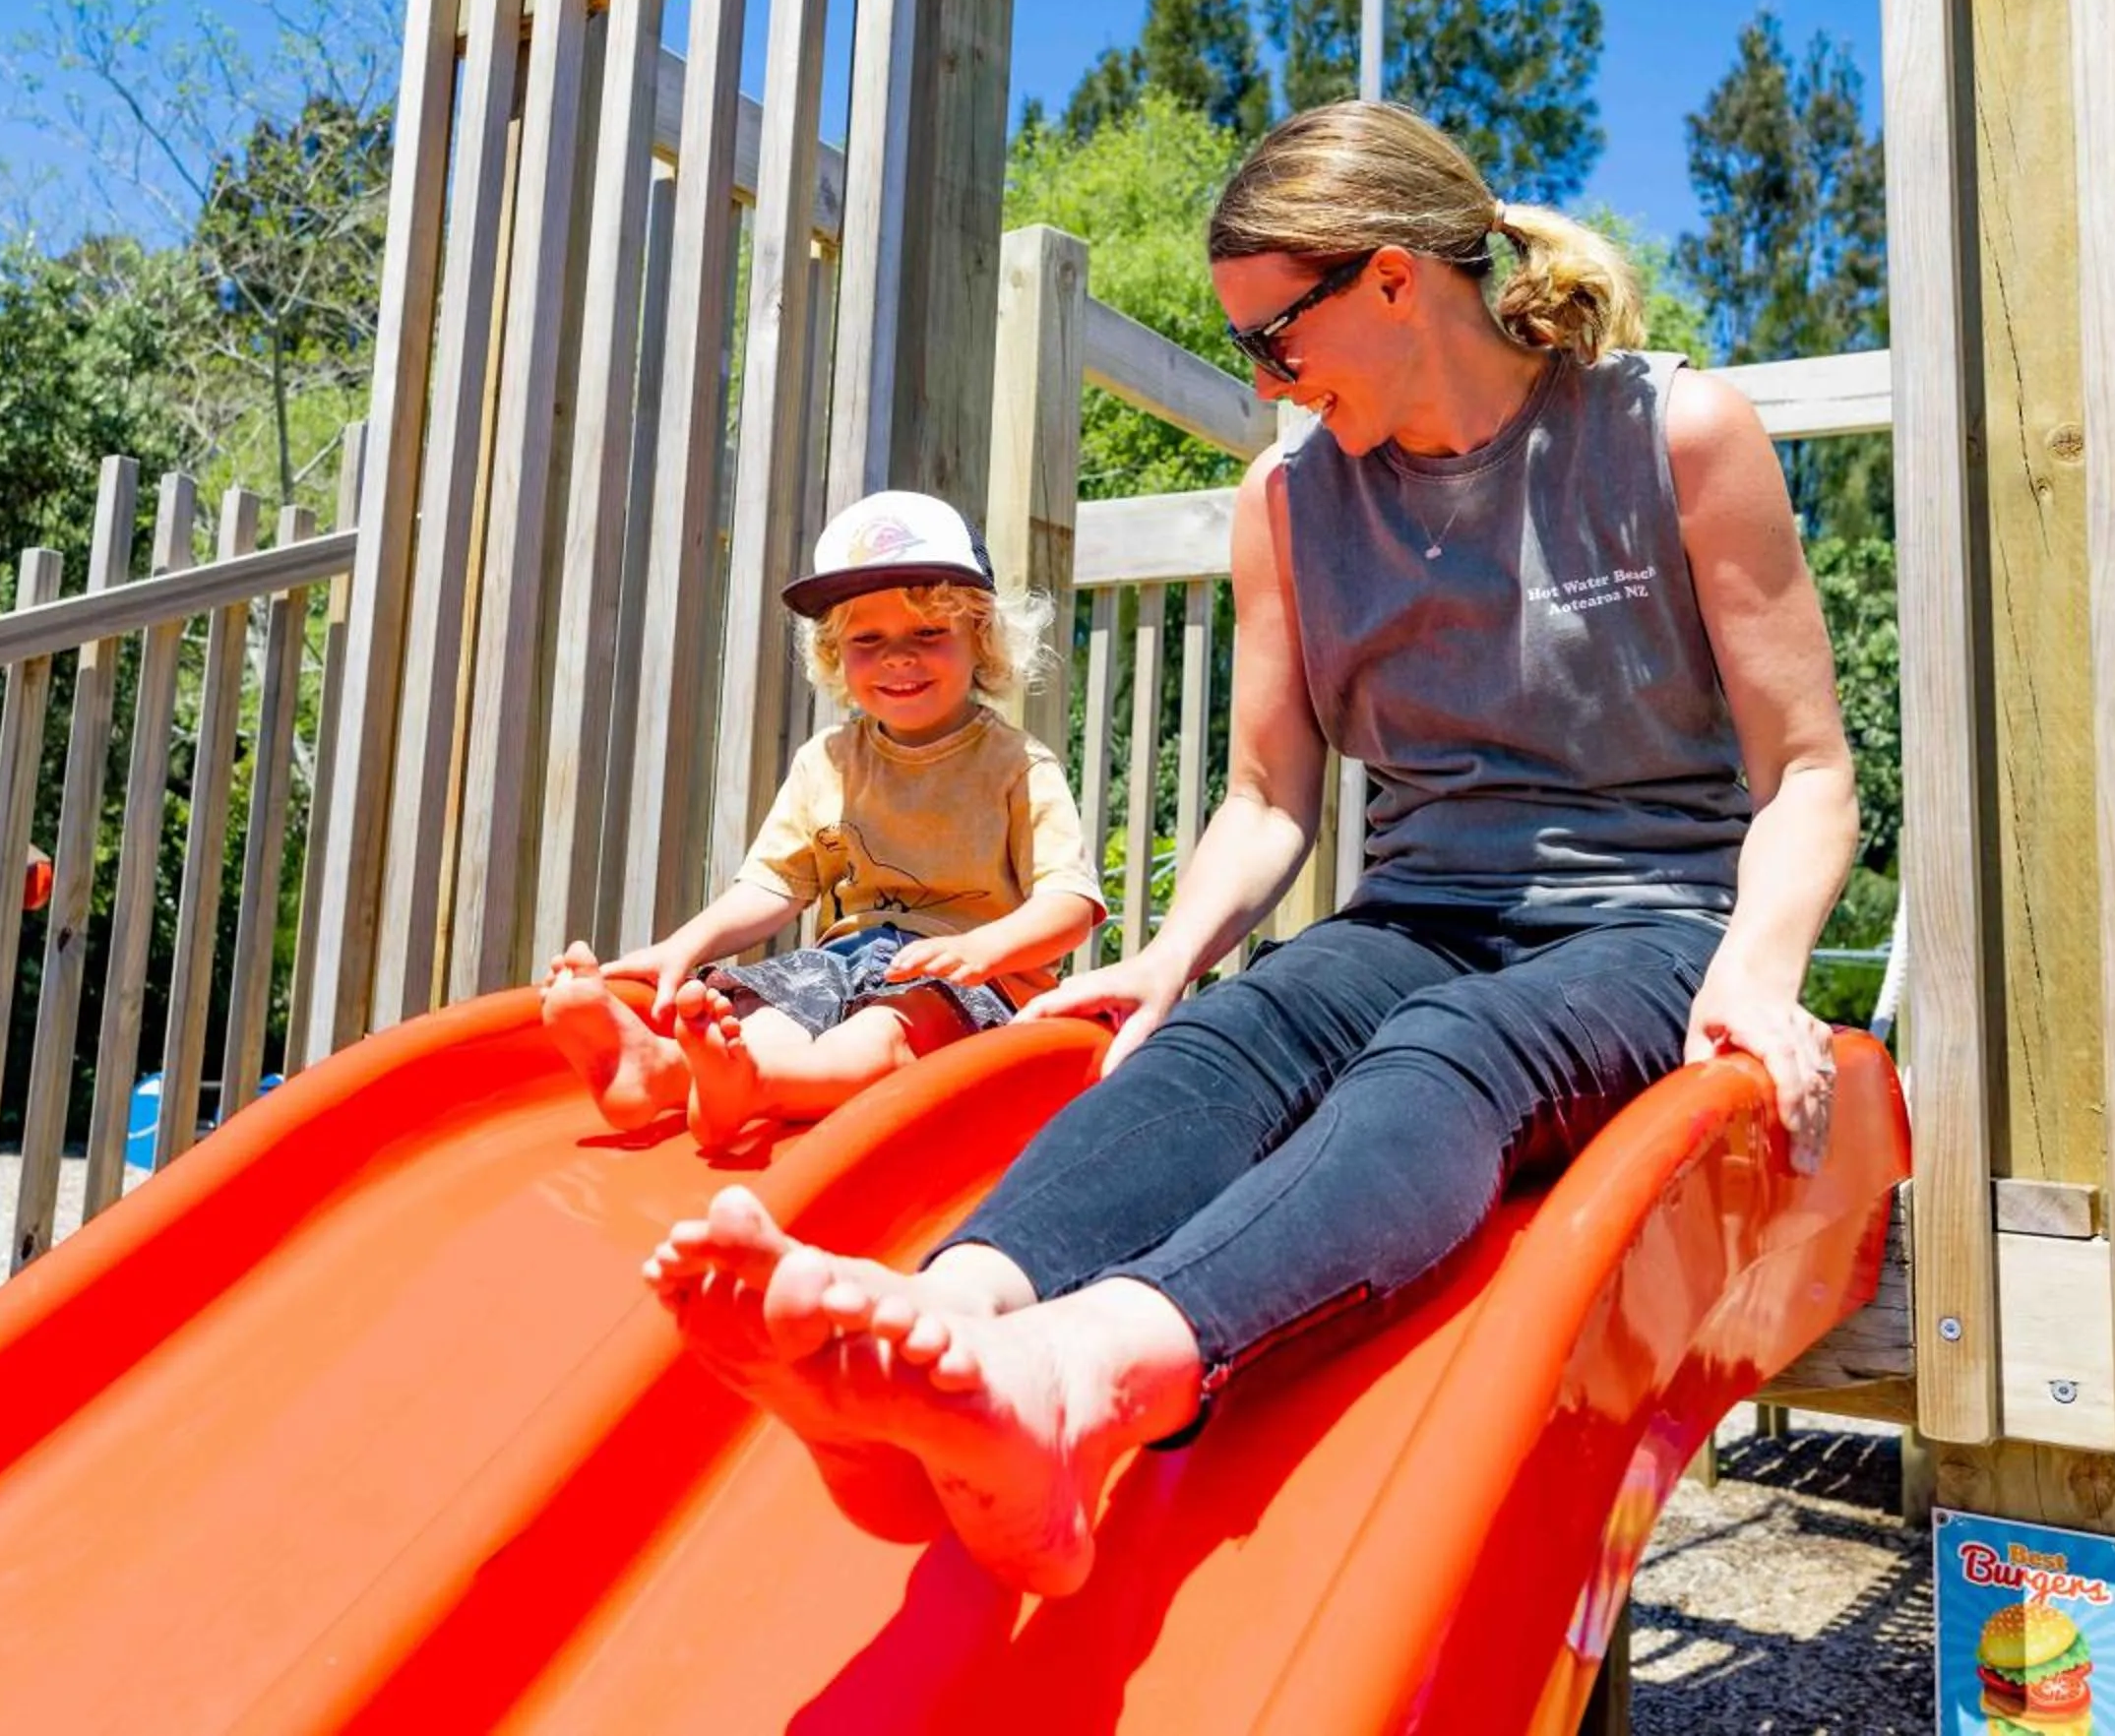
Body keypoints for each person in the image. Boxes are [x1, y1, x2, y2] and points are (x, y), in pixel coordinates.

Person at [642, 100, 1859, 1596]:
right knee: (1228, 1038)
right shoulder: (1288, 498)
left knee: (1448, 1052)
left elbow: (1806, 771)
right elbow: (1272, 796)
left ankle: (1088, 1381)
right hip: (1418, 902)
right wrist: (1166, 956)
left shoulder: (1669, 433)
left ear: (1397, 281)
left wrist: (1756, 966)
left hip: (1644, 919)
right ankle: (942, 1326)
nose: (1265, 380)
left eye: (1278, 340)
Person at [542, 489, 1107, 1147]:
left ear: (980, 640)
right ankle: (666, 1073)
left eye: (928, 633)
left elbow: (1069, 903)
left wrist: (981, 950)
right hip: (842, 962)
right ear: (837, 657)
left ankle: (756, 1086)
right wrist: (683, 947)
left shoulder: (1015, 764)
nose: (899, 656)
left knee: (887, 1031)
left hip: (969, 988)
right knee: (771, 1006)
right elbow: (772, 886)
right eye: (869, 640)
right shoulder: (830, 760)